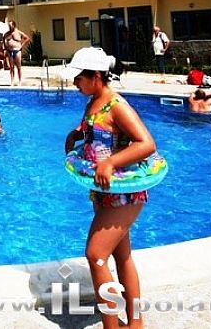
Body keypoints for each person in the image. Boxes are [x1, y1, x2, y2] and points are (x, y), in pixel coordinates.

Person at [62, 47, 157, 329]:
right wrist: (76, 136)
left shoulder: (116, 105)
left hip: (124, 194)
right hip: (104, 191)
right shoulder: (93, 101)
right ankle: (135, 324)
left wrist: (110, 162)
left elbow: (146, 144)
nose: (74, 82)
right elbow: (93, 131)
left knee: (96, 256)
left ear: (96, 76)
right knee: (121, 255)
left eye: (79, 77)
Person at [4, 20, 31, 86]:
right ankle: (12, 81)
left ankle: (20, 81)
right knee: (11, 67)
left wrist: (22, 46)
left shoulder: (18, 32)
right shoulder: (7, 34)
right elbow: (3, 39)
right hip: (10, 51)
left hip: (17, 50)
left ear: (14, 25)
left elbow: (27, 38)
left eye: (10, 25)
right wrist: (6, 47)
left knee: (18, 67)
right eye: (9, 26)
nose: (10, 27)